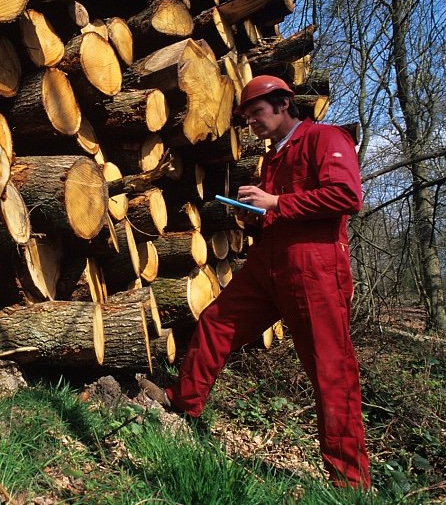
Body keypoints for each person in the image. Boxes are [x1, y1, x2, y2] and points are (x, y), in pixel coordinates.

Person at [141, 75, 371, 489]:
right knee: (217, 322)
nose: (252, 124)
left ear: (284, 104)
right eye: (246, 118)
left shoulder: (325, 137)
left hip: (316, 268)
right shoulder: (274, 158)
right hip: (269, 264)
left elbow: (347, 196)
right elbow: (276, 213)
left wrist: (277, 202)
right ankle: (185, 402)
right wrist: (254, 216)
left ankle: (350, 482)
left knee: (329, 369)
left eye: (257, 113)